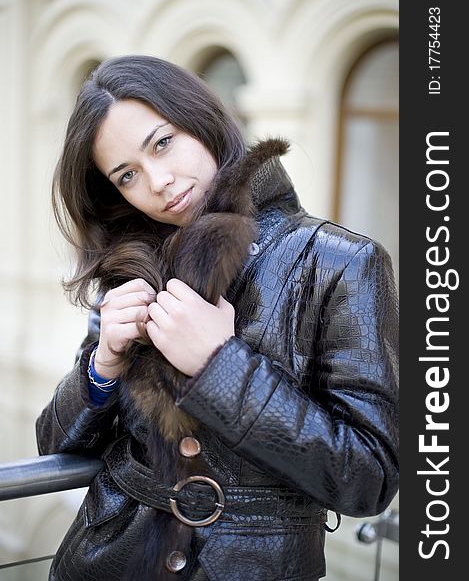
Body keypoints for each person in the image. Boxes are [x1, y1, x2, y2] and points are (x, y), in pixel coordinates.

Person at [36, 54, 399, 581]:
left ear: (201, 119)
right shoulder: (132, 269)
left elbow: (370, 478)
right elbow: (53, 446)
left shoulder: (340, 262)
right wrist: (102, 365)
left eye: (162, 143)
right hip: (108, 557)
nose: (158, 181)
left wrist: (221, 366)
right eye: (127, 175)